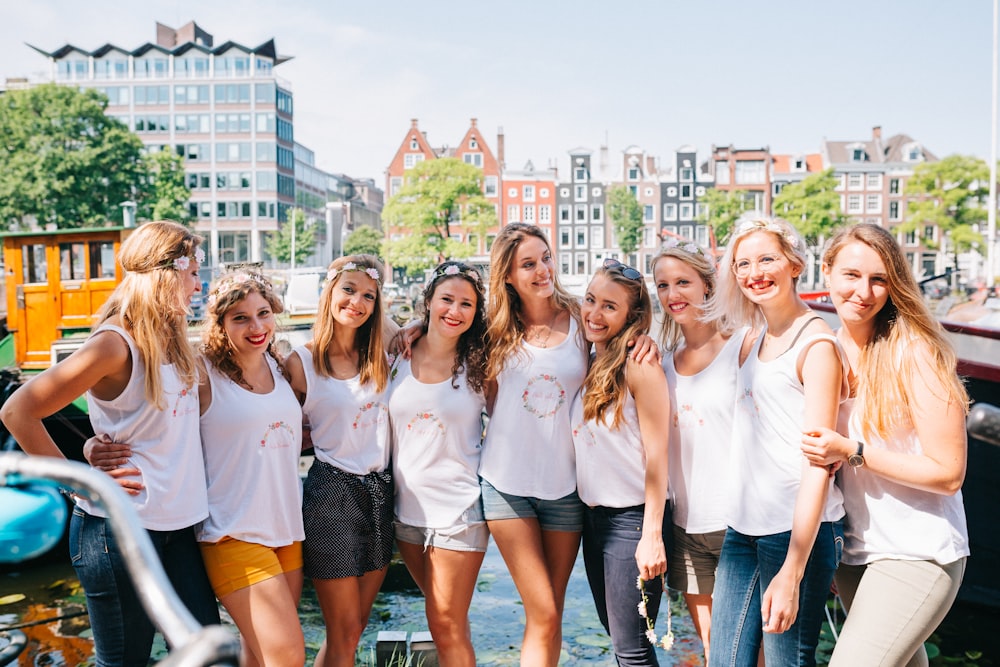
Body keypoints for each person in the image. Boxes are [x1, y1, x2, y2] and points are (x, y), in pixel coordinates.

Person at [0, 221, 220, 667]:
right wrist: (78, 481)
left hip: (178, 527)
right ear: (166, 274)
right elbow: (17, 411)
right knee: (124, 662)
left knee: (206, 654)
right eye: (193, 271)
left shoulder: (172, 337)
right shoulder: (114, 344)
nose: (199, 283)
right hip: (117, 532)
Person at [800, 224, 969, 667]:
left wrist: (852, 449)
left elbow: (949, 474)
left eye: (879, 279)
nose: (864, 291)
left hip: (918, 553)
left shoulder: (915, 353)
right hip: (855, 556)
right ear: (827, 272)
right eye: (851, 275)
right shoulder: (824, 351)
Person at [704, 215, 847, 667]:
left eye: (767, 259)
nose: (754, 273)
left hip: (795, 531)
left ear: (794, 264)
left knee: (789, 661)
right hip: (742, 528)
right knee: (724, 661)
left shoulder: (817, 345)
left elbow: (819, 462)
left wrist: (793, 569)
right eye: (742, 264)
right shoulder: (752, 338)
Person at [478, 222, 590, 666]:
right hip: (507, 485)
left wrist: (641, 340)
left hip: (566, 486)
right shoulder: (491, 331)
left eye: (545, 257)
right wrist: (410, 328)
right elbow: (486, 396)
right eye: (528, 264)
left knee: (551, 612)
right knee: (542, 608)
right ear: (507, 274)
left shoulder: (583, 317)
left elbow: (626, 332)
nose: (543, 270)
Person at [285, 254, 393, 667]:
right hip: (332, 494)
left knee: (355, 629)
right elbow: (272, 427)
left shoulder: (380, 356)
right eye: (348, 290)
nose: (357, 302)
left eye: (368, 295)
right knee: (343, 629)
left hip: (381, 492)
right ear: (329, 292)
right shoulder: (301, 362)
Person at [195, 270, 306, 666]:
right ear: (221, 324)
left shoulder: (280, 365)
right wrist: (94, 443)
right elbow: (154, 424)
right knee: (289, 657)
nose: (256, 326)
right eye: (240, 318)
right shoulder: (201, 373)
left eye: (263, 313)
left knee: (259, 657)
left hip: (286, 530)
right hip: (232, 532)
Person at [389, 260, 490, 666]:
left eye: (466, 304)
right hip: (406, 513)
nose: (455, 310)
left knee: (444, 621)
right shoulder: (395, 352)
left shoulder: (481, 365)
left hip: (458, 511)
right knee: (449, 623)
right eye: (446, 299)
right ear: (428, 301)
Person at [651, 239, 748, 663]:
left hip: (741, 527)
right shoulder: (663, 364)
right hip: (688, 529)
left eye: (683, 282)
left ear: (708, 285)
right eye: (663, 286)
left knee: (748, 651)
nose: (673, 295)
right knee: (714, 652)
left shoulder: (743, 347)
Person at [570, 259, 671, 666]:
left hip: (632, 522)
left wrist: (651, 535)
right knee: (620, 638)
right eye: (590, 300)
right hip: (595, 521)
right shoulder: (592, 359)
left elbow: (658, 454)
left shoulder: (639, 364)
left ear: (633, 316)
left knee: (632, 651)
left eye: (609, 306)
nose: (594, 313)